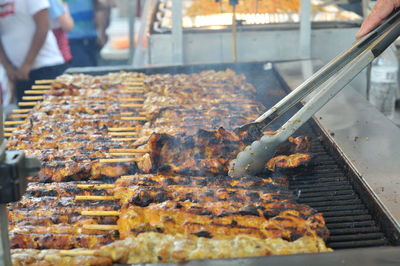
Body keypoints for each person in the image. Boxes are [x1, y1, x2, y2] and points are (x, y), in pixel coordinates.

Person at [0, 0, 65, 103]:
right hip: (18, 73)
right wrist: (8, 67)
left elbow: (43, 26)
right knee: (27, 115)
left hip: (46, 67)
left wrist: (27, 64)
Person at [65, 0, 114, 67]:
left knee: (93, 69)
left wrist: (102, 33)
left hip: (92, 38)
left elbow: (104, 8)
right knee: (84, 70)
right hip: (73, 39)